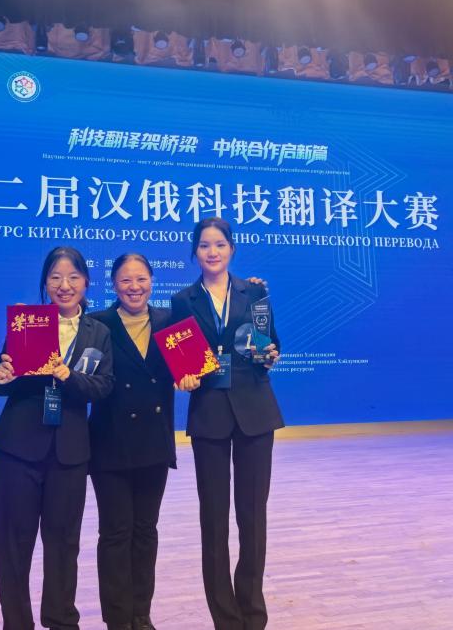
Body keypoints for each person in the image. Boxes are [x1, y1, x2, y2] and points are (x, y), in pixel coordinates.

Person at [0, 246, 114, 630]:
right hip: (18, 449)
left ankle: (61, 620)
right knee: (14, 544)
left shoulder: (99, 332)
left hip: (70, 453)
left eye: (73, 277)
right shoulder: (29, 322)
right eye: (56, 277)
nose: (64, 285)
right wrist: (2, 376)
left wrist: (67, 376)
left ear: (86, 282)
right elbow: (1, 379)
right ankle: (17, 624)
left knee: (63, 543)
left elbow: (102, 387)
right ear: (45, 282)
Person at [170, 218, 284, 630]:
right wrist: (183, 376)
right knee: (214, 519)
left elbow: (271, 342)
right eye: (204, 245)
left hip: (255, 410)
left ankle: (253, 614)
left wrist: (271, 354)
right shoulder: (182, 300)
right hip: (209, 414)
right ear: (194, 252)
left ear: (232, 248)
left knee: (252, 516)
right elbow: (181, 359)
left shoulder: (254, 292)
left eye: (219, 244)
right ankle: (225, 617)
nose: (212, 252)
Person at [88, 253, 176, 630]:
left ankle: (141, 614)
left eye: (141, 279)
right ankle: (117, 619)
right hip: (109, 445)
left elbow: (196, 367)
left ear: (152, 282)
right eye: (126, 280)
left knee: (145, 532)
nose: (134, 287)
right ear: (113, 284)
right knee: (115, 533)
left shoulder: (171, 321)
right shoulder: (97, 324)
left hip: (154, 444)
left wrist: (194, 377)